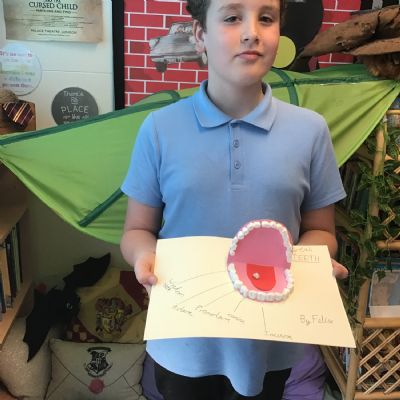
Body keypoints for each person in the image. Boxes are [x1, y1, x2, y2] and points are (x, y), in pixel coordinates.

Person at [120, 0, 348, 398]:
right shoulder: (159, 129)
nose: (251, 33)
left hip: (271, 342)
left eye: (266, 18)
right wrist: (144, 257)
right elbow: (137, 229)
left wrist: (312, 262)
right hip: (183, 340)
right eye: (231, 18)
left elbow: (321, 231)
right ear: (200, 35)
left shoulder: (310, 131)